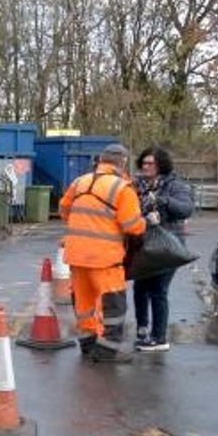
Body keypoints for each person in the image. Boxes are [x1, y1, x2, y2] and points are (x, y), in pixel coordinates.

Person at [58, 143, 146, 362]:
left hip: (76, 255)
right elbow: (131, 226)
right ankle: (107, 351)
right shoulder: (122, 188)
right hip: (104, 259)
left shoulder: (80, 182)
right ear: (123, 162)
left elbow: (64, 210)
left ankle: (88, 345)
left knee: (84, 304)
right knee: (113, 307)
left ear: (101, 160)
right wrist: (146, 222)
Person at [132, 147, 194, 352]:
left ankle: (159, 338)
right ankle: (142, 328)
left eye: (151, 163)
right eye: (144, 163)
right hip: (144, 244)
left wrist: (163, 200)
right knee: (140, 287)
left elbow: (186, 209)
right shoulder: (135, 185)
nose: (146, 167)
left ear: (161, 165)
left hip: (168, 246)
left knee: (158, 290)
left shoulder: (174, 186)